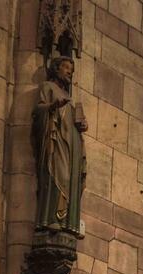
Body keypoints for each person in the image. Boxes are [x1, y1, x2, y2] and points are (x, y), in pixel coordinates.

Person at [32, 55, 87, 235]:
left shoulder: (69, 98)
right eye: (66, 67)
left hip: (72, 145)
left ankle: (67, 222)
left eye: (71, 70)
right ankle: (51, 219)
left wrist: (81, 125)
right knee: (58, 175)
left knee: (70, 179)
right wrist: (53, 105)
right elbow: (38, 111)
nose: (69, 72)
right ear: (56, 69)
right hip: (56, 142)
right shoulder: (48, 87)